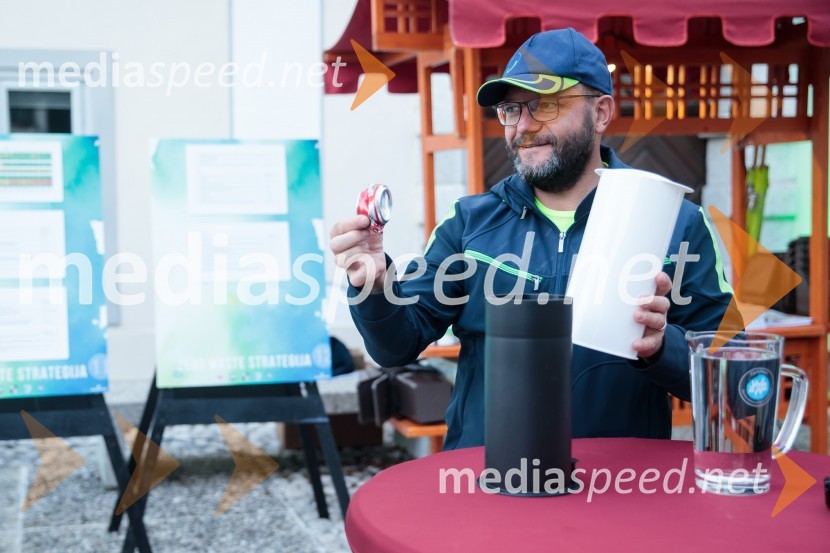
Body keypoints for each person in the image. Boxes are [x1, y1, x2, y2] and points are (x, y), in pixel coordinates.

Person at [330, 28, 734, 450]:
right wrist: (374, 287)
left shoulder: (675, 223)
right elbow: (395, 347)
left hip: (621, 488)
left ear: (600, 113)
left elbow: (730, 377)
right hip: (488, 482)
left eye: (544, 105)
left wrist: (660, 346)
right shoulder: (469, 222)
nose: (523, 125)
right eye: (511, 108)